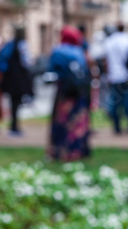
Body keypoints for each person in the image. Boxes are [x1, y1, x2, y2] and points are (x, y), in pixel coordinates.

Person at [48, 26, 91, 161]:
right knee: (78, 120)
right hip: (79, 92)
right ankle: (78, 149)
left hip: (64, 92)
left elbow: (51, 70)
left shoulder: (58, 51)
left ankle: (59, 150)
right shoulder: (79, 52)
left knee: (62, 120)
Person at [0, 27, 33, 136]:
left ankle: (13, 126)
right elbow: (27, 62)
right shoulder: (21, 45)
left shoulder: (10, 44)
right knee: (16, 103)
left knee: (13, 103)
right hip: (18, 79)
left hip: (10, 79)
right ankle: (14, 127)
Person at [103, 23, 128, 134]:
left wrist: (108, 75)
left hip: (114, 76)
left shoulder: (109, 41)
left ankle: (117, 127)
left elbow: (106, 61)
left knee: (115, 102)